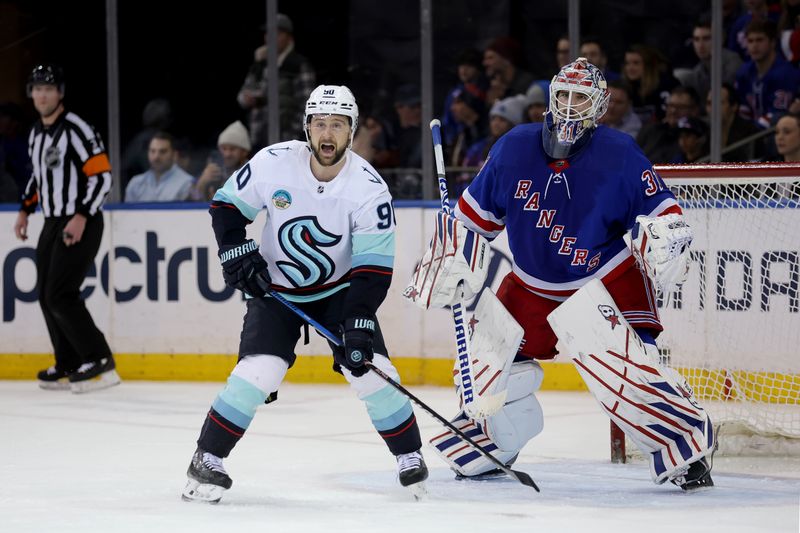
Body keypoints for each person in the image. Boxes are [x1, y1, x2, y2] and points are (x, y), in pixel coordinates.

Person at [406, 58, 715, 491]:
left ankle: (684, 443)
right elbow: (471, 220)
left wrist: (665, 240)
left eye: (581, 98)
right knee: (486, 367)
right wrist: (449, 255)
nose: (570, 107)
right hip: (532, 282)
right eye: (564, 96)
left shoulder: (620, 153)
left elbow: (664, 213)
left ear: (599, 106)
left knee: (622, 370)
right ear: (551, 98)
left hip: (604, 279)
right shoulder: (514, 147)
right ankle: (493, 442)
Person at [181, 85, 428, 504]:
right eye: (319, 124)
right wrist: (236, 251)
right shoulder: (275, 162)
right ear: (307, 128)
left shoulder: (369, 189)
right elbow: (226, 208)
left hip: (341, 293)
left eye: (337, 125)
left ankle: (409, 455)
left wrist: (359, 322)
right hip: (275, 291)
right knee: (260, 371)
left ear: (351, 131)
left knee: (369, 369)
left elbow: (372, 270)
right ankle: (206, 459)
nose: (326, 134)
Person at [13, 64, 120, 393]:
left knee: (61, 293)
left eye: (48, 88)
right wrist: (25, 210)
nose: (41, 94)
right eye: (36, 88)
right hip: (52, 220)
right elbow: (39, 178)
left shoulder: (76, 128)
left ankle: (99, 359)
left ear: (60, 93)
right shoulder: (35, 133)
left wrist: (81, 215)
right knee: (46, 295)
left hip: (81, 219)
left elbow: (102, 175)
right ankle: (69, 362)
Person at [237, 13, 316, 151]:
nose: (271, 38)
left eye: (277, 33)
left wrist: (293, 135)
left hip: (287, 141)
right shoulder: (260, 64)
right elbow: (242, 96)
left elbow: (308, 105)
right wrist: (248, 98)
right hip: (259, 138)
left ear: (289, 37)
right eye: (268, 33)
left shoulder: (298, 65)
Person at [124, 131, 195, 202]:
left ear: (174, 155)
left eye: (162, 151)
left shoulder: (188, 183)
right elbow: (125, 213)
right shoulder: (135, 183)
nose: (156, 157)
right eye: (152, 151)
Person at [192, 121, 252, 202]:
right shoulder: (214, 170)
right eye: (224, 148)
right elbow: (191, 200)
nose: (227, 154)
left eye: (232, 149)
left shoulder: (252, 172)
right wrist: (202, 182)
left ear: (244, 151)